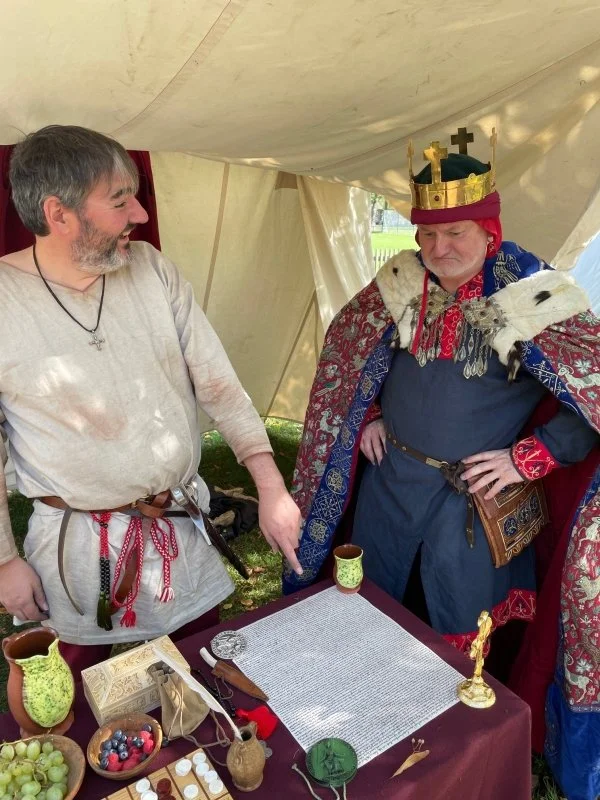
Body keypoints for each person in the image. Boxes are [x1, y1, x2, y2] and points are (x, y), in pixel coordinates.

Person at [284, 130, 600, 800]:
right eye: (426, 235)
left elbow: (589, 396)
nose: (437, 250)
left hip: (470, 502)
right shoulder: (402, 282)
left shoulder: (538, 296)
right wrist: (363, 415)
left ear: (489, 226)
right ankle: (368, 722)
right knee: (373, 602)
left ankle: (453, 763)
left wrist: (532, 457)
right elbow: (350, 356)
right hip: (392, 483)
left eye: (454, 232)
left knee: (465, 630)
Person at [0, 124, 302, 674]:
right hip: (75, 555)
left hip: (176, 531)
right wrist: (3, 562)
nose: (139, 215)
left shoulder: (153, 270)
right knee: (72, 703)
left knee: (207, 679)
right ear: (59, 214)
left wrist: (271, 484)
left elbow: (218, 383)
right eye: (120, 201)